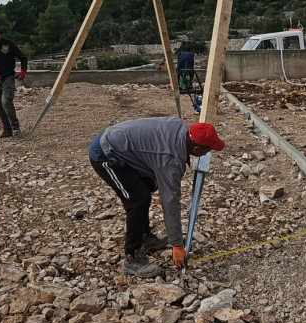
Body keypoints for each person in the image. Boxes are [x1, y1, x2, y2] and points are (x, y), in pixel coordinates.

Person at [89, 117, 225, 277]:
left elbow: (153, 148)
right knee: (137, 200)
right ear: (196, 149)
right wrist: (177, 244)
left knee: (146, 187)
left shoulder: (179, 126)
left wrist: (153, 173)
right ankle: (131, 259)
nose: (208, 153)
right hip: (106, 153)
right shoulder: (170, 162)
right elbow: (170, 202)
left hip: (122, 143)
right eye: (207, 150)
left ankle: (144, 238)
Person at [0, 29, 28, 138]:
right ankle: (7, 129)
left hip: (8, 77)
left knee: (6, 102)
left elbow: (23, 58)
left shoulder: (9, 44)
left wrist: (23, 71)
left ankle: (15, 128)